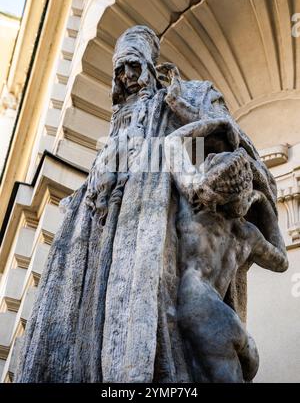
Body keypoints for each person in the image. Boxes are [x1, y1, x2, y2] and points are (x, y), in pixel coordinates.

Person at [15, 26, 287, 383]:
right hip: (108, 257)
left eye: (133, 66)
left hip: (160, 243)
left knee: (167, 344)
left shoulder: (184, 98)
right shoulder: (115, 134)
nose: (126, 78)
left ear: (149, 67)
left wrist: (184, 111)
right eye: (119, 71)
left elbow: (233, 144)